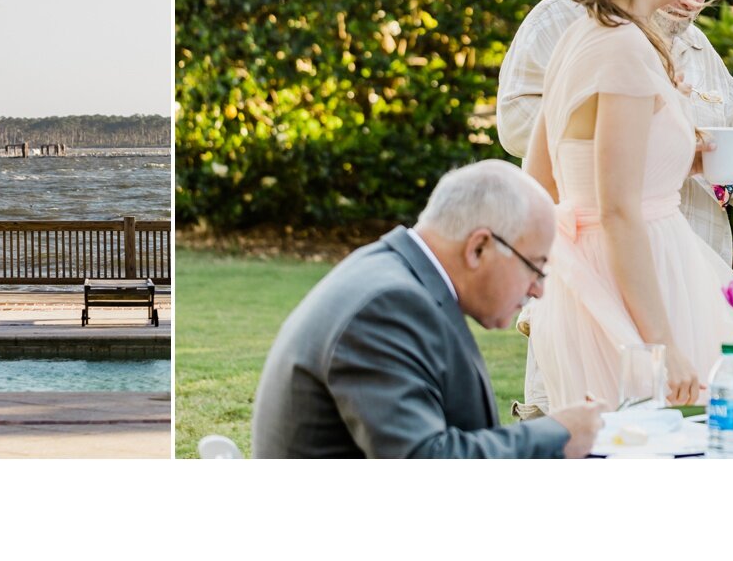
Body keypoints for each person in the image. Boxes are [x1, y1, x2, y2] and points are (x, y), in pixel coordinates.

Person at [518, 0, 733, 412]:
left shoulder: (595, 35)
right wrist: (659, 347)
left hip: (626, 280)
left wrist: (682, 159)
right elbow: (617, 211)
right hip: (622, 299)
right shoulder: (619, 48)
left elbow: (543, 177)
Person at [250, 161, 603, 458]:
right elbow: (424, 460)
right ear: (479, 247)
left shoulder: (395, 278)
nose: (538, 290)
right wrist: (559, 434)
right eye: (535, 266)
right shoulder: (385, 309)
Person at [497, 0, 733, 267]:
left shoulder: (708, 60)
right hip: (596, 262)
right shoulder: (561, 19)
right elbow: (514, 127)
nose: (690, 1)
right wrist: (652, 133)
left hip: (697, 269)